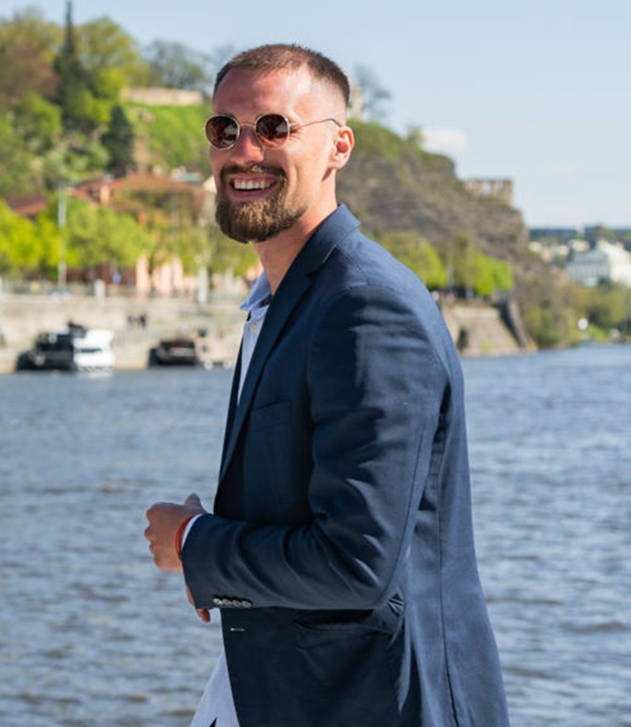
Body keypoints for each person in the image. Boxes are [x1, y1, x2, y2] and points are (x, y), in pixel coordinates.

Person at [143, 44, 508, 727]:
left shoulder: (366, 307)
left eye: (273, 128)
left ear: (339, 147)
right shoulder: (286, 301)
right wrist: (219, 561)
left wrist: (196, 545)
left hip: (375, 702)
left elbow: (354, 563)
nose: (243, 150)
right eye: (224, 129)